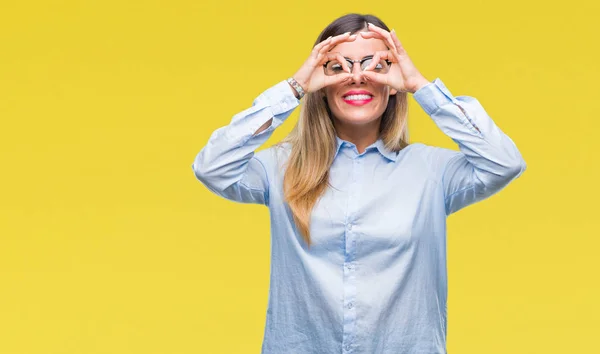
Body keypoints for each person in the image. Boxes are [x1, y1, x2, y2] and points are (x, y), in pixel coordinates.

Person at [191, 13, 526, 354]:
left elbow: (504, 161)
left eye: (375, 65)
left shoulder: (431, 170)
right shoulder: (281, 166)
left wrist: (420, 86)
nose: (357, 77)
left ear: (393, 82)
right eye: (338, 67)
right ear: (320, 84)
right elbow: (213, 167)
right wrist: (294, 88)